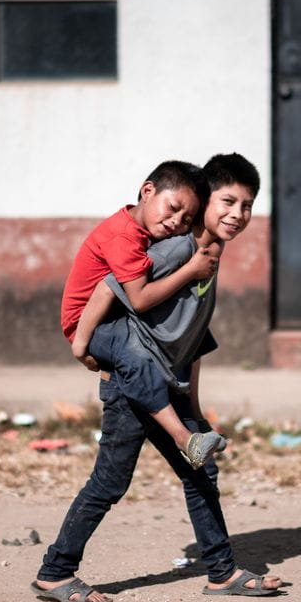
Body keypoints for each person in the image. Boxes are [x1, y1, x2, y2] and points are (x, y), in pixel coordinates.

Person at [32, 154, 284, 602]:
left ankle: (222, 572)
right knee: (109, 484)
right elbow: (109, 285)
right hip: (134, 385)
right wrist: (82, 343)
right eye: (227, 201)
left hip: (169, 382)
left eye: (247, 206)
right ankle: (55, 572)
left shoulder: (211, 252)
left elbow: (195, 335)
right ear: (205, 202)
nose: (237, 215)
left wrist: (195, 407)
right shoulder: (176, 249)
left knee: (200, 474)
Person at [61, 161, 226, 468]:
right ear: (147, 190)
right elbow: (137, 299)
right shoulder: (122, 237)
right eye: (172, 207)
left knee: (195, 332)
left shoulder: (148, 232)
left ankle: (195, 417)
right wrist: (80, 345)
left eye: (186, 218)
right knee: (135, 355)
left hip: (117, 319)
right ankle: (185, 438)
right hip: (92, 323)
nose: (175, 221)